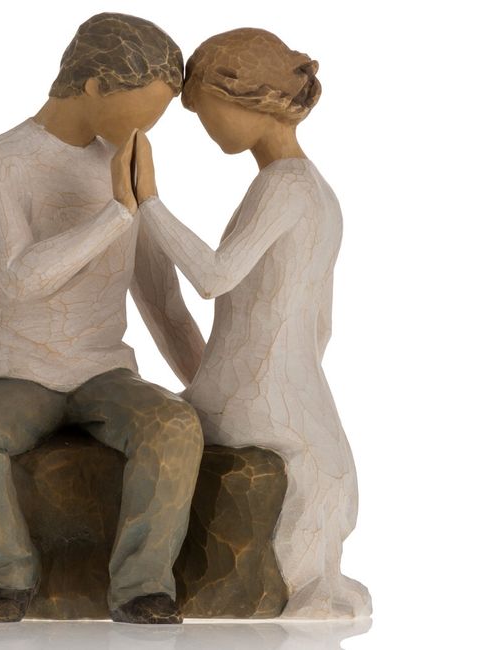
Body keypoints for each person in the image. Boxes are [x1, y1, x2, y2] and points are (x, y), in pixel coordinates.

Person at [0, 13, 205, 625]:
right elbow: (18, 280)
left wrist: (210, 390)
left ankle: (142, 587)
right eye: (144, 111)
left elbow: (163, 303)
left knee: (173, 424)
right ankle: (6, 579)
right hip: (16, 375)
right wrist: (118, 212)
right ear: (96, 85)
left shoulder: (123, 171)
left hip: (105, 372)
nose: (149, 131)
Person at [134, 28, 372, 618]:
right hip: (288, 384)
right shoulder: (317, 191)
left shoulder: (283, 187)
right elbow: (321, 322)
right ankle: (310, 582)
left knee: (317, 472)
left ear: (245, 98)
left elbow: (215, 276)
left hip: (254, 394)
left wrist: (149, 201)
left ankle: (298, 587)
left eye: (207, 112)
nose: (206, 127)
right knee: (329, 470)